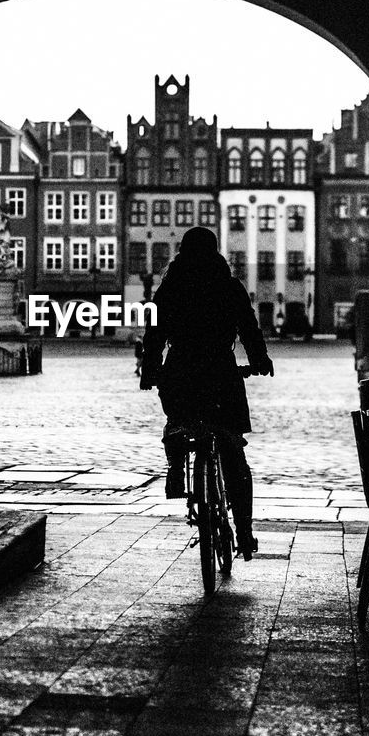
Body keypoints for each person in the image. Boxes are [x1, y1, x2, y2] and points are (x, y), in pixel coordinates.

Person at [139, 226, 273, 560]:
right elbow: (248, 326)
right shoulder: (228, 287)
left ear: (182, 252)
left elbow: (153, 333)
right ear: (215, 253)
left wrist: (149, 370)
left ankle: (176, 457)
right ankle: (244, 531)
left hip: (180, 374)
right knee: (234, 456)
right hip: (220, 375)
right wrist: (259, 359)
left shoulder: (170, 287)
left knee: (179, 420)